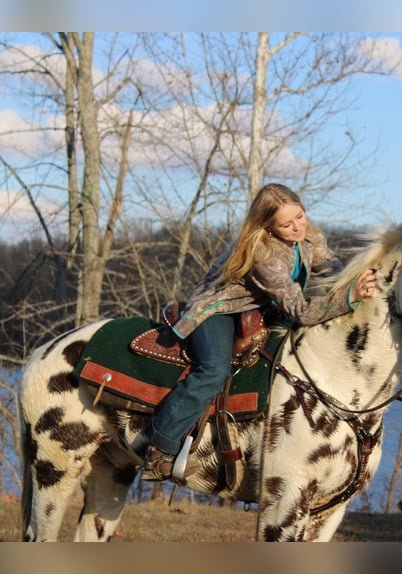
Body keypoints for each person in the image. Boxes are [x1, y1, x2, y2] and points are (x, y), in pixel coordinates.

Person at [142, 182, 378, 481]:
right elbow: (301, 310)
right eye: (286, 224)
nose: (297, 227)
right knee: (213, 371)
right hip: (219, 310)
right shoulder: (262, 253)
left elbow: (333, 268)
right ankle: (160, 447)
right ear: (267, 225)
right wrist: (349, 297)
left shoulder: (308, 237)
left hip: (260, 310)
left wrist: (365, 274)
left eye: (300, 216)